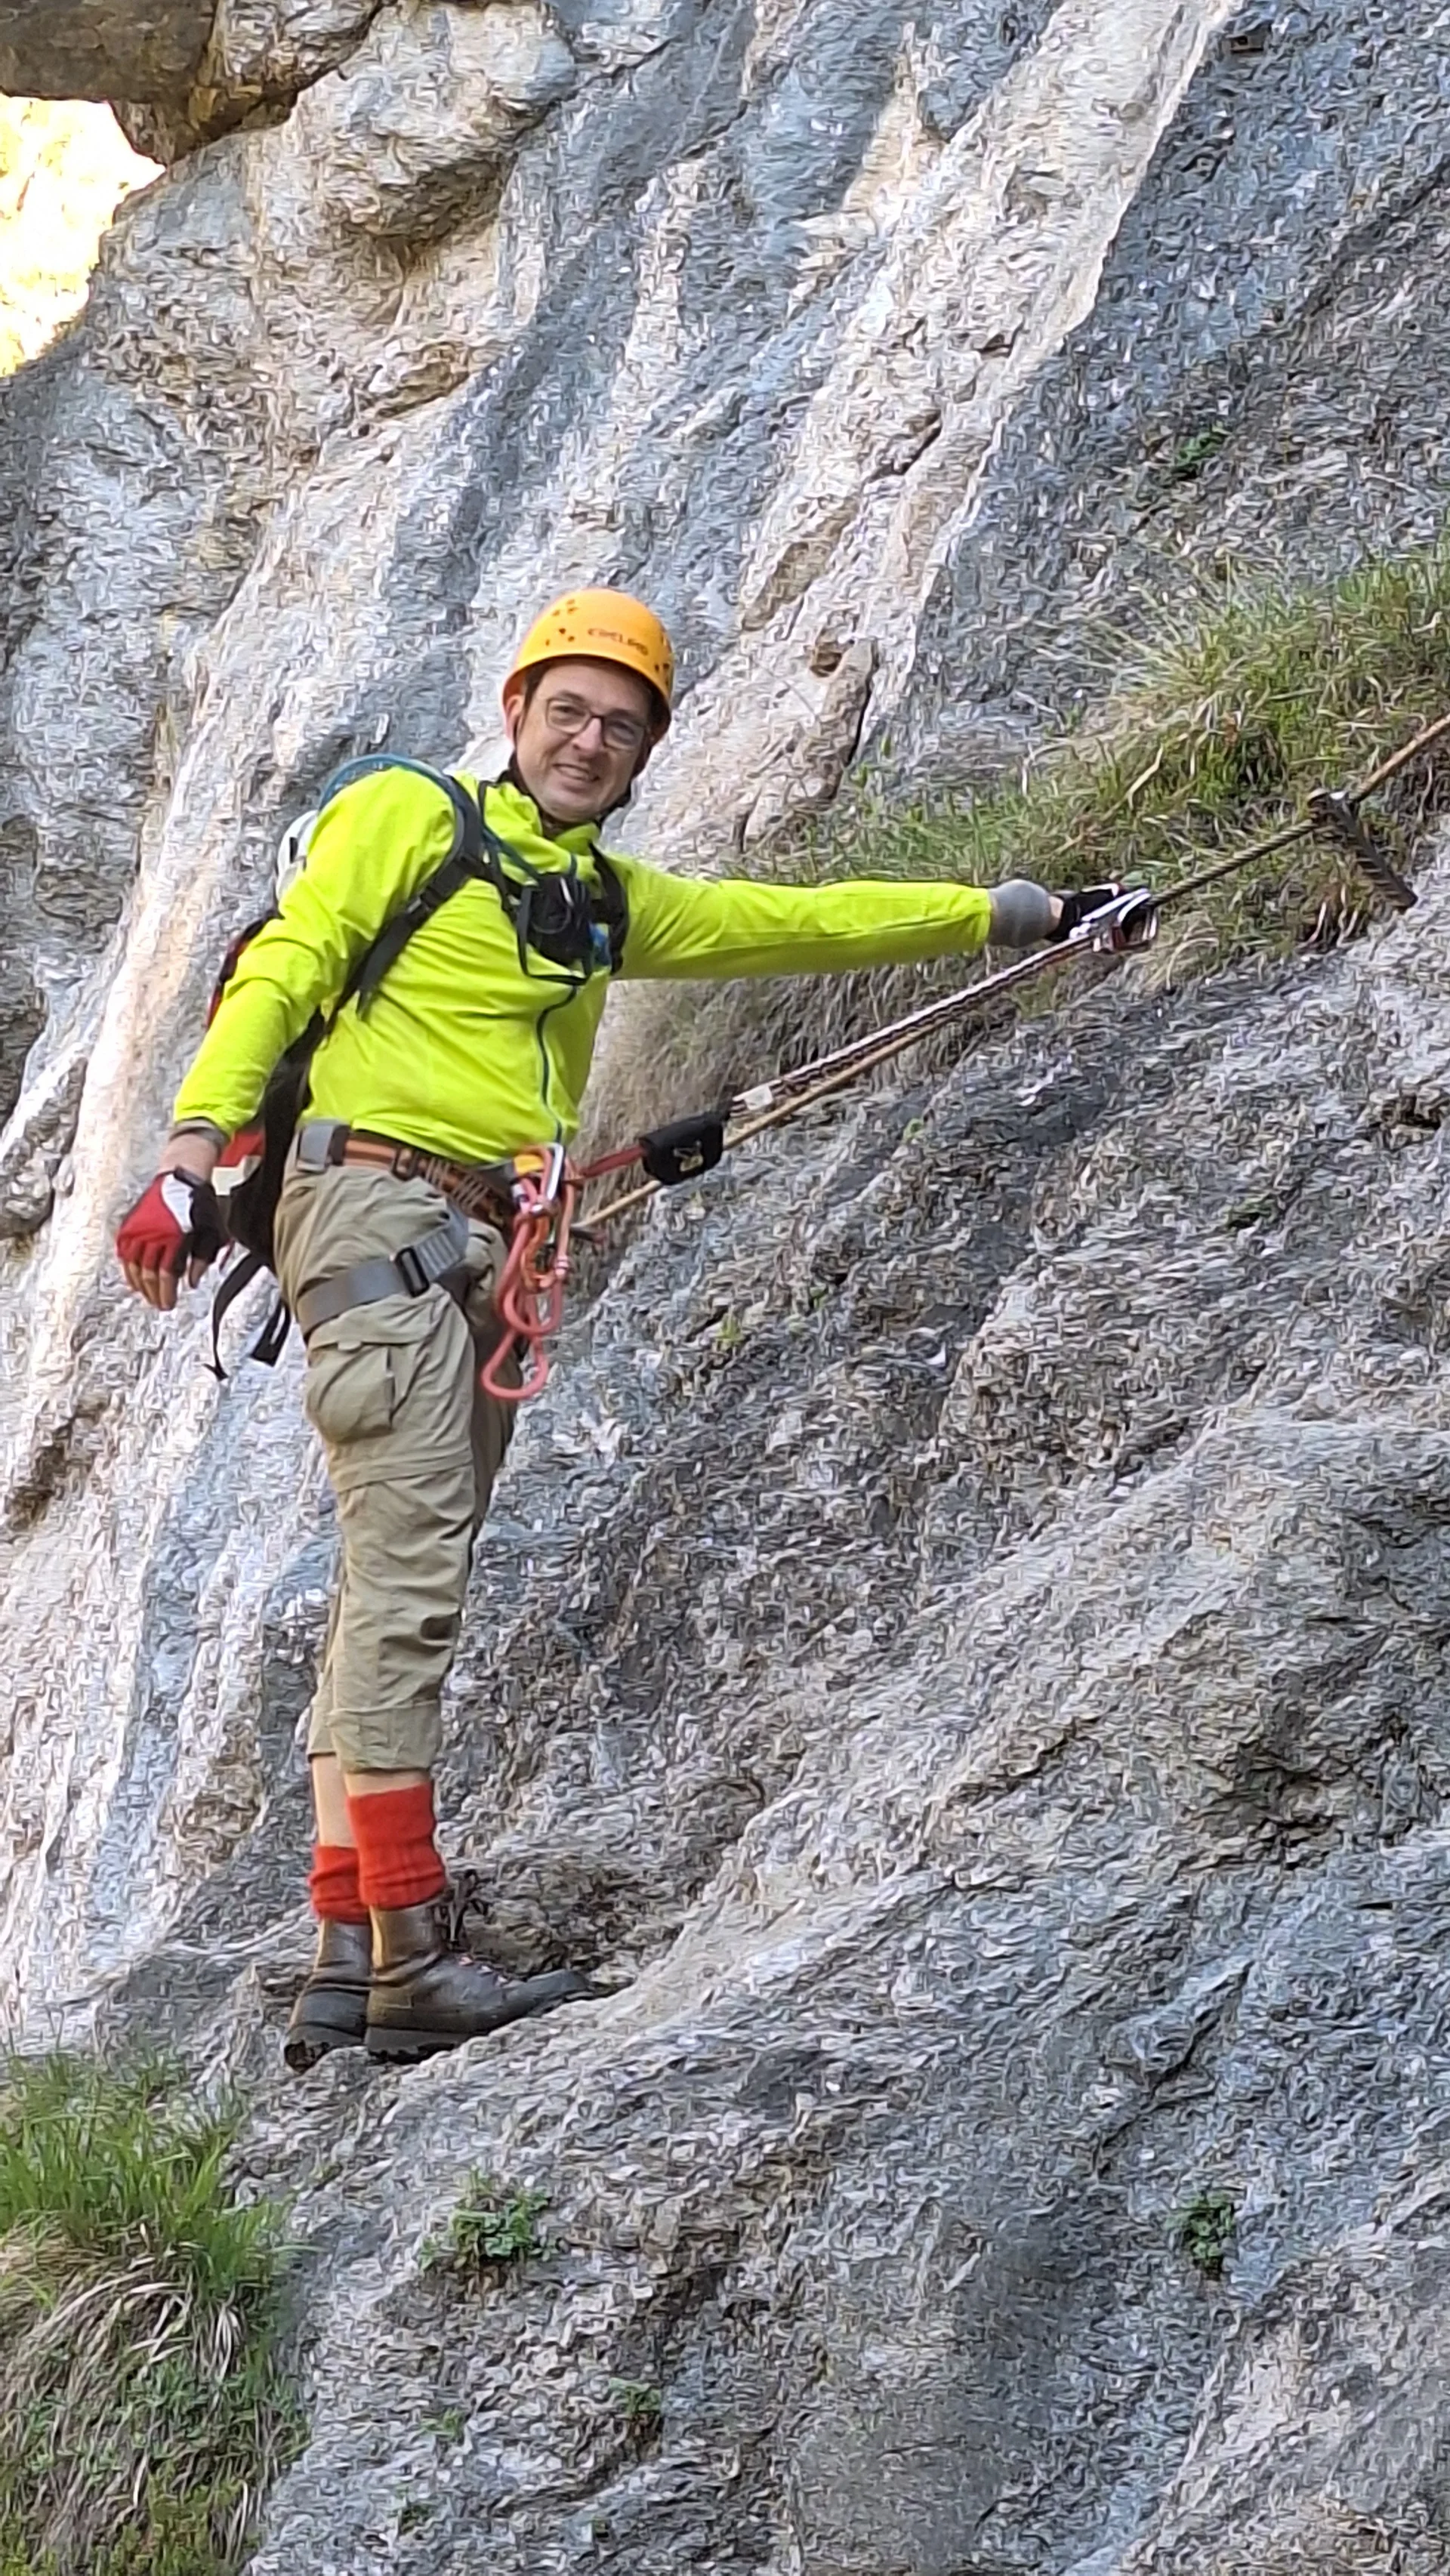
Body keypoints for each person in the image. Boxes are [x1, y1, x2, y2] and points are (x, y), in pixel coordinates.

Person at [116, 588, 1091, 2069]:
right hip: (375, 1212)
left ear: (643, 757)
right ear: (515, 712)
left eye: (621, 726)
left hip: (478, 1246)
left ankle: (345, 1945)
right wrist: (189, 1156)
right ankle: (410, 1951)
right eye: (567, 709)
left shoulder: (603, 903)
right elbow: (290, 966)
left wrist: (1020, 914)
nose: (589, 740)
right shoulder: (408, 816)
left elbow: (795, 924)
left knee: (393, 1579)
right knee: (410, 1583)